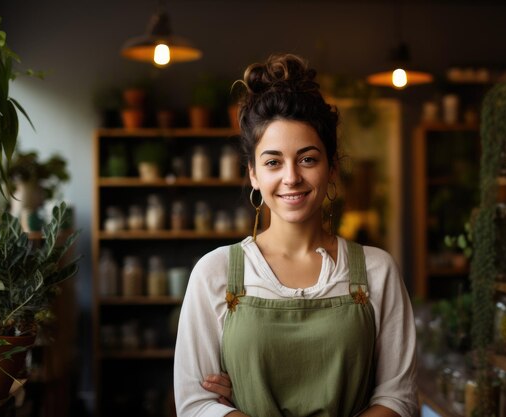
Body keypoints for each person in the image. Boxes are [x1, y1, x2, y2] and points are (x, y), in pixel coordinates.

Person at [174, 53, 417, 417]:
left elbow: (399, 398)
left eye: (307, 159)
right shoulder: (215, 273)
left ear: (332, 167)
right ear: (253, 174)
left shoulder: (377, 271)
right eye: (273, 162)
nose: (291, 178)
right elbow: (195, 405)